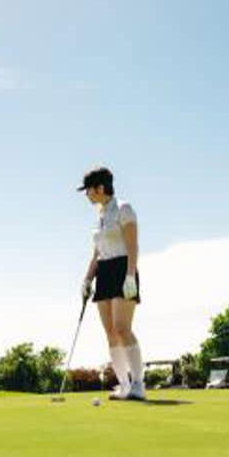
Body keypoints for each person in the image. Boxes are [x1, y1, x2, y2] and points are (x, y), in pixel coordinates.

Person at [78, 167, 145, 401]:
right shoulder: (100, 216)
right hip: (104, 272)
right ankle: (124, 385)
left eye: (88, 190)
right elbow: (96, 254)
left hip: (123, 268)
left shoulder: (124, 209)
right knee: (110, 333)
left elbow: (133, 245)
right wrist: (87, 279)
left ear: (100, 188)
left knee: (122, 329)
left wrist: (129, 276)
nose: (87, 195)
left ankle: (138, 384)